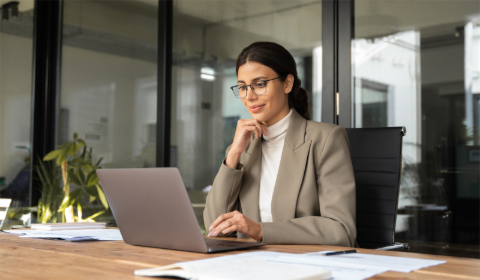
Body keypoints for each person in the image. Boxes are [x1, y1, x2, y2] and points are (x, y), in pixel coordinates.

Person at [203, 42, 356, 247]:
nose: (249, 96)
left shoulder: (326, 139)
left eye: (259, 84)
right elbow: (215, 227)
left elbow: (341, 231)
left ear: (287, 84)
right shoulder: (242, 148)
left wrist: (260, 230)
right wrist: (234, 155)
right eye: (242, 87)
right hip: (249, 266)